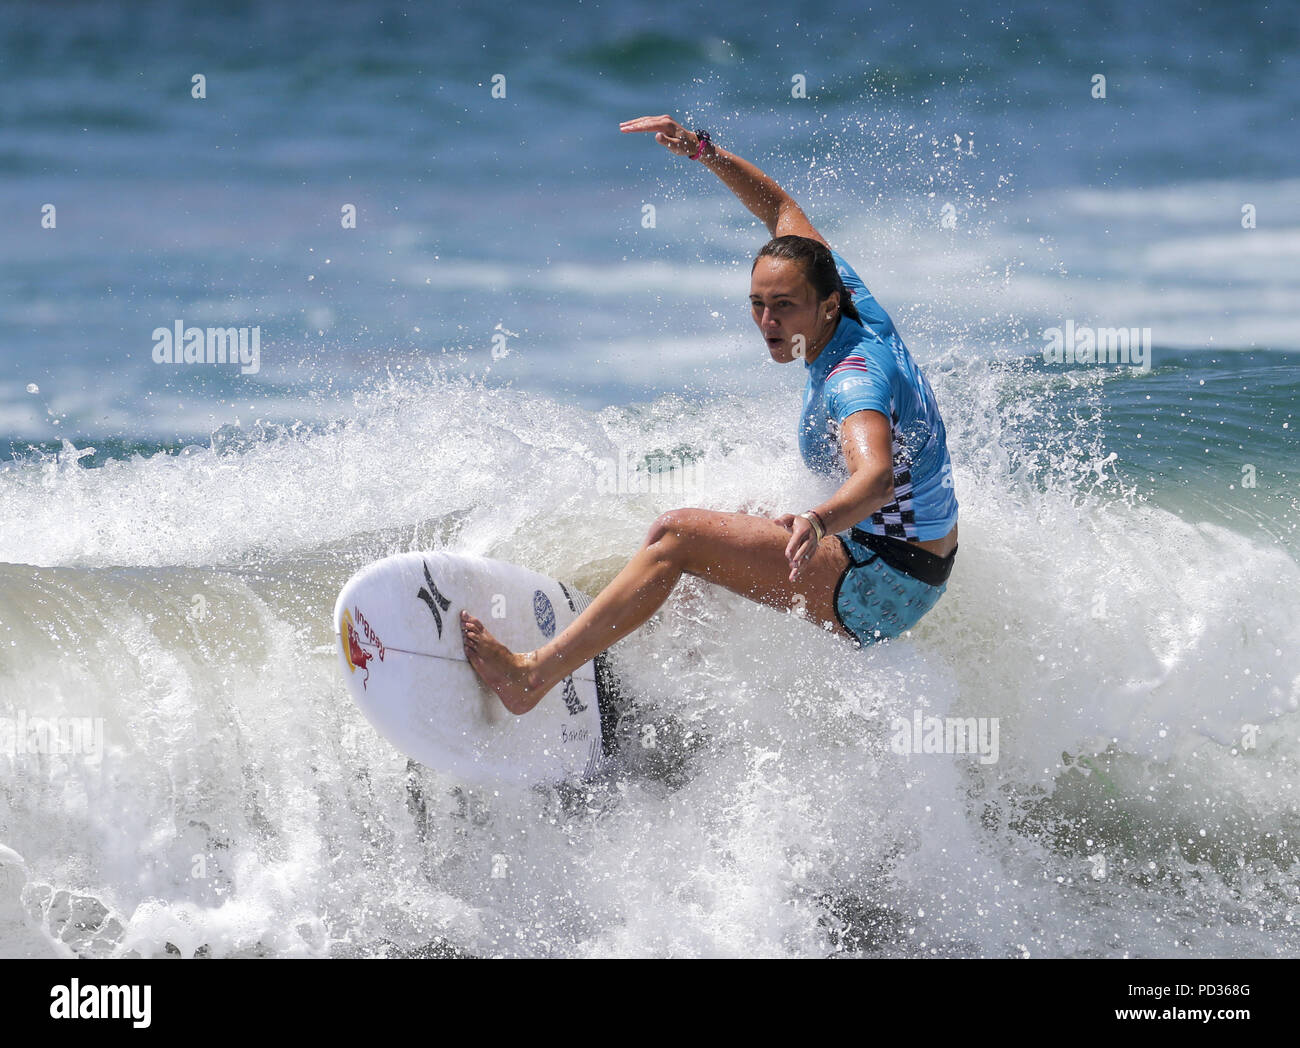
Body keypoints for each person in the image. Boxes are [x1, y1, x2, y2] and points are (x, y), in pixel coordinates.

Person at [461, 115, 959, 715]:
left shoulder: (853, 381)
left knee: (679, 535)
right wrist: (703, 150)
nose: (768, 324)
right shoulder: (842, 292)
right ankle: (673, 699)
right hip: (911, 561)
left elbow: (874, 477)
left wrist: (819, 520)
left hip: (884, 585)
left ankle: (531, 677)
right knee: (719, 533)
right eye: (757, 305)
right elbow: (779, 210)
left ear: (827, 305)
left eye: (784, 307)